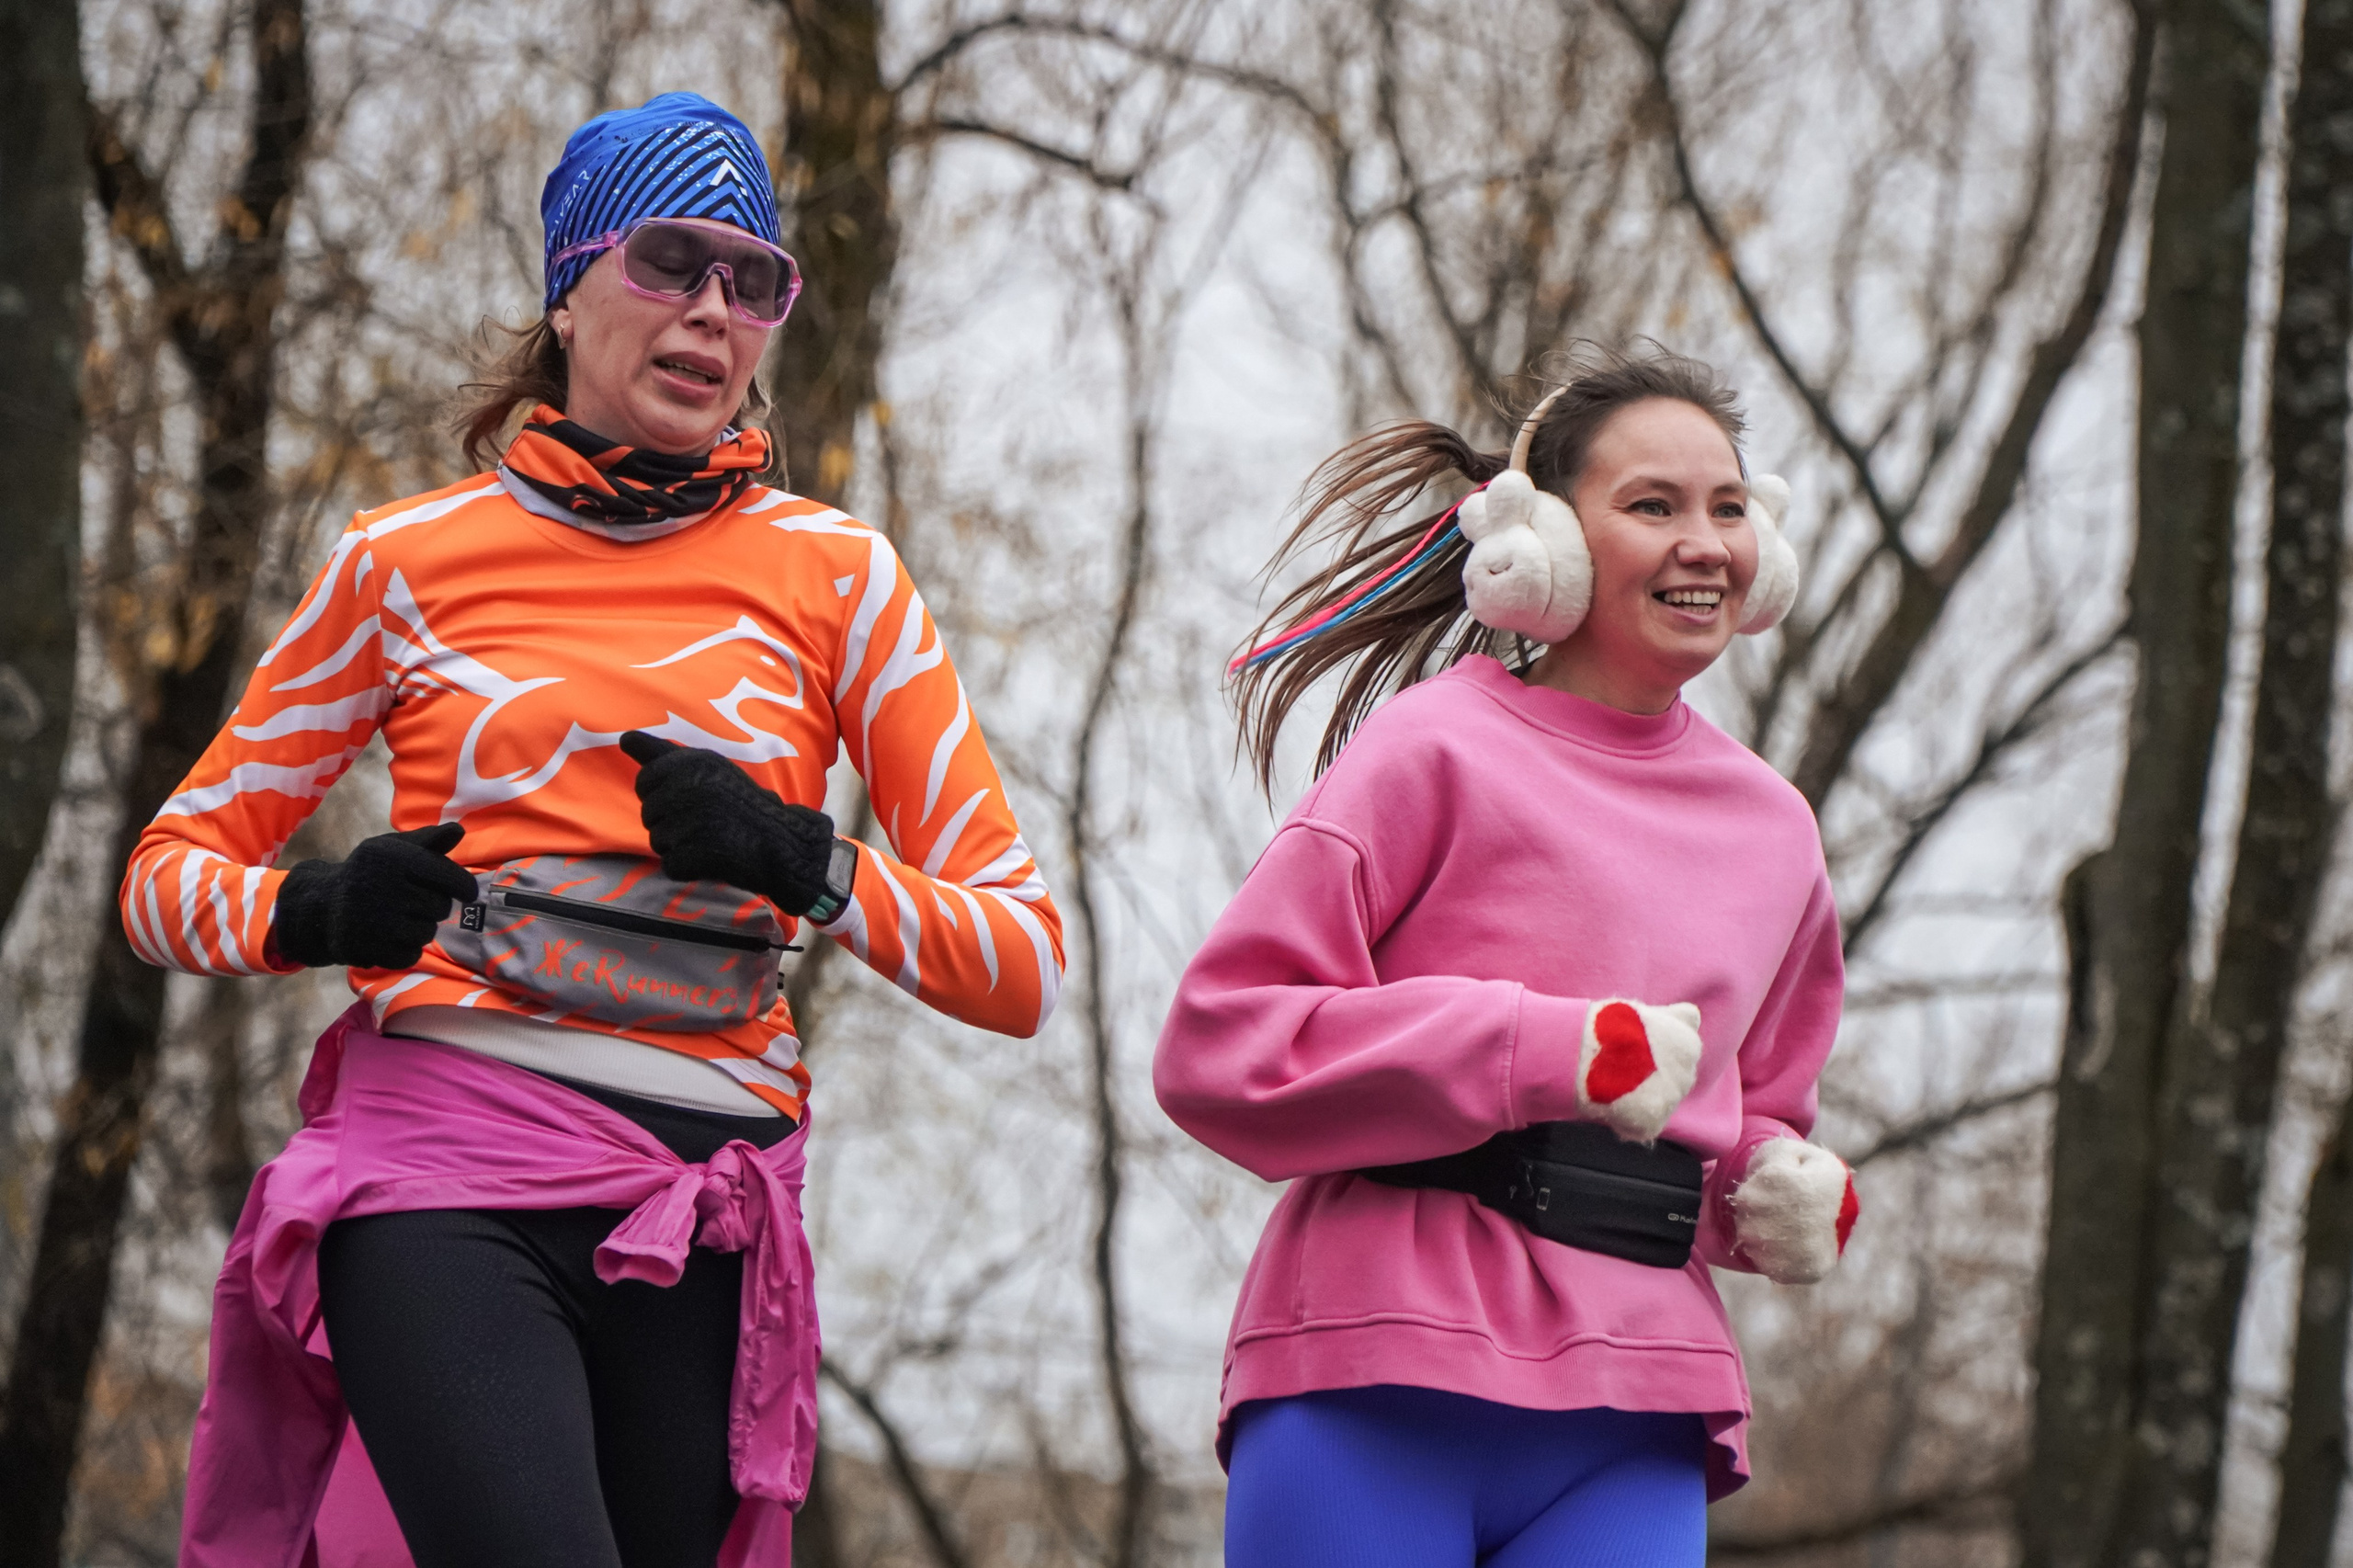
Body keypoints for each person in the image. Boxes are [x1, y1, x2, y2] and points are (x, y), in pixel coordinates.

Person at [144, 93, 1064, 1568]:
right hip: (443, 1168)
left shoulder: (844, 578)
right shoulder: (404, 561)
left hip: (702, 1210)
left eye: (753, 281)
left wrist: (803, 859)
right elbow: (163, 875)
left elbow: (1019, 961)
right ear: (569, 292)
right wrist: (314, 912)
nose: (713, 308)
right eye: (671, 261)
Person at [1154, 346, 1857, 1566]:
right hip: (1375, 1370)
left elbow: (1742, 1112)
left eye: (1729, 508)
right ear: (1550, 541)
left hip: (1636, 1407)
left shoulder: (1778, 830)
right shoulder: (1433, 747)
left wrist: (1777, 1188)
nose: (1704, 541)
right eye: (1654, 506)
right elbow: (1222, 1043)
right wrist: (1538, 1047)